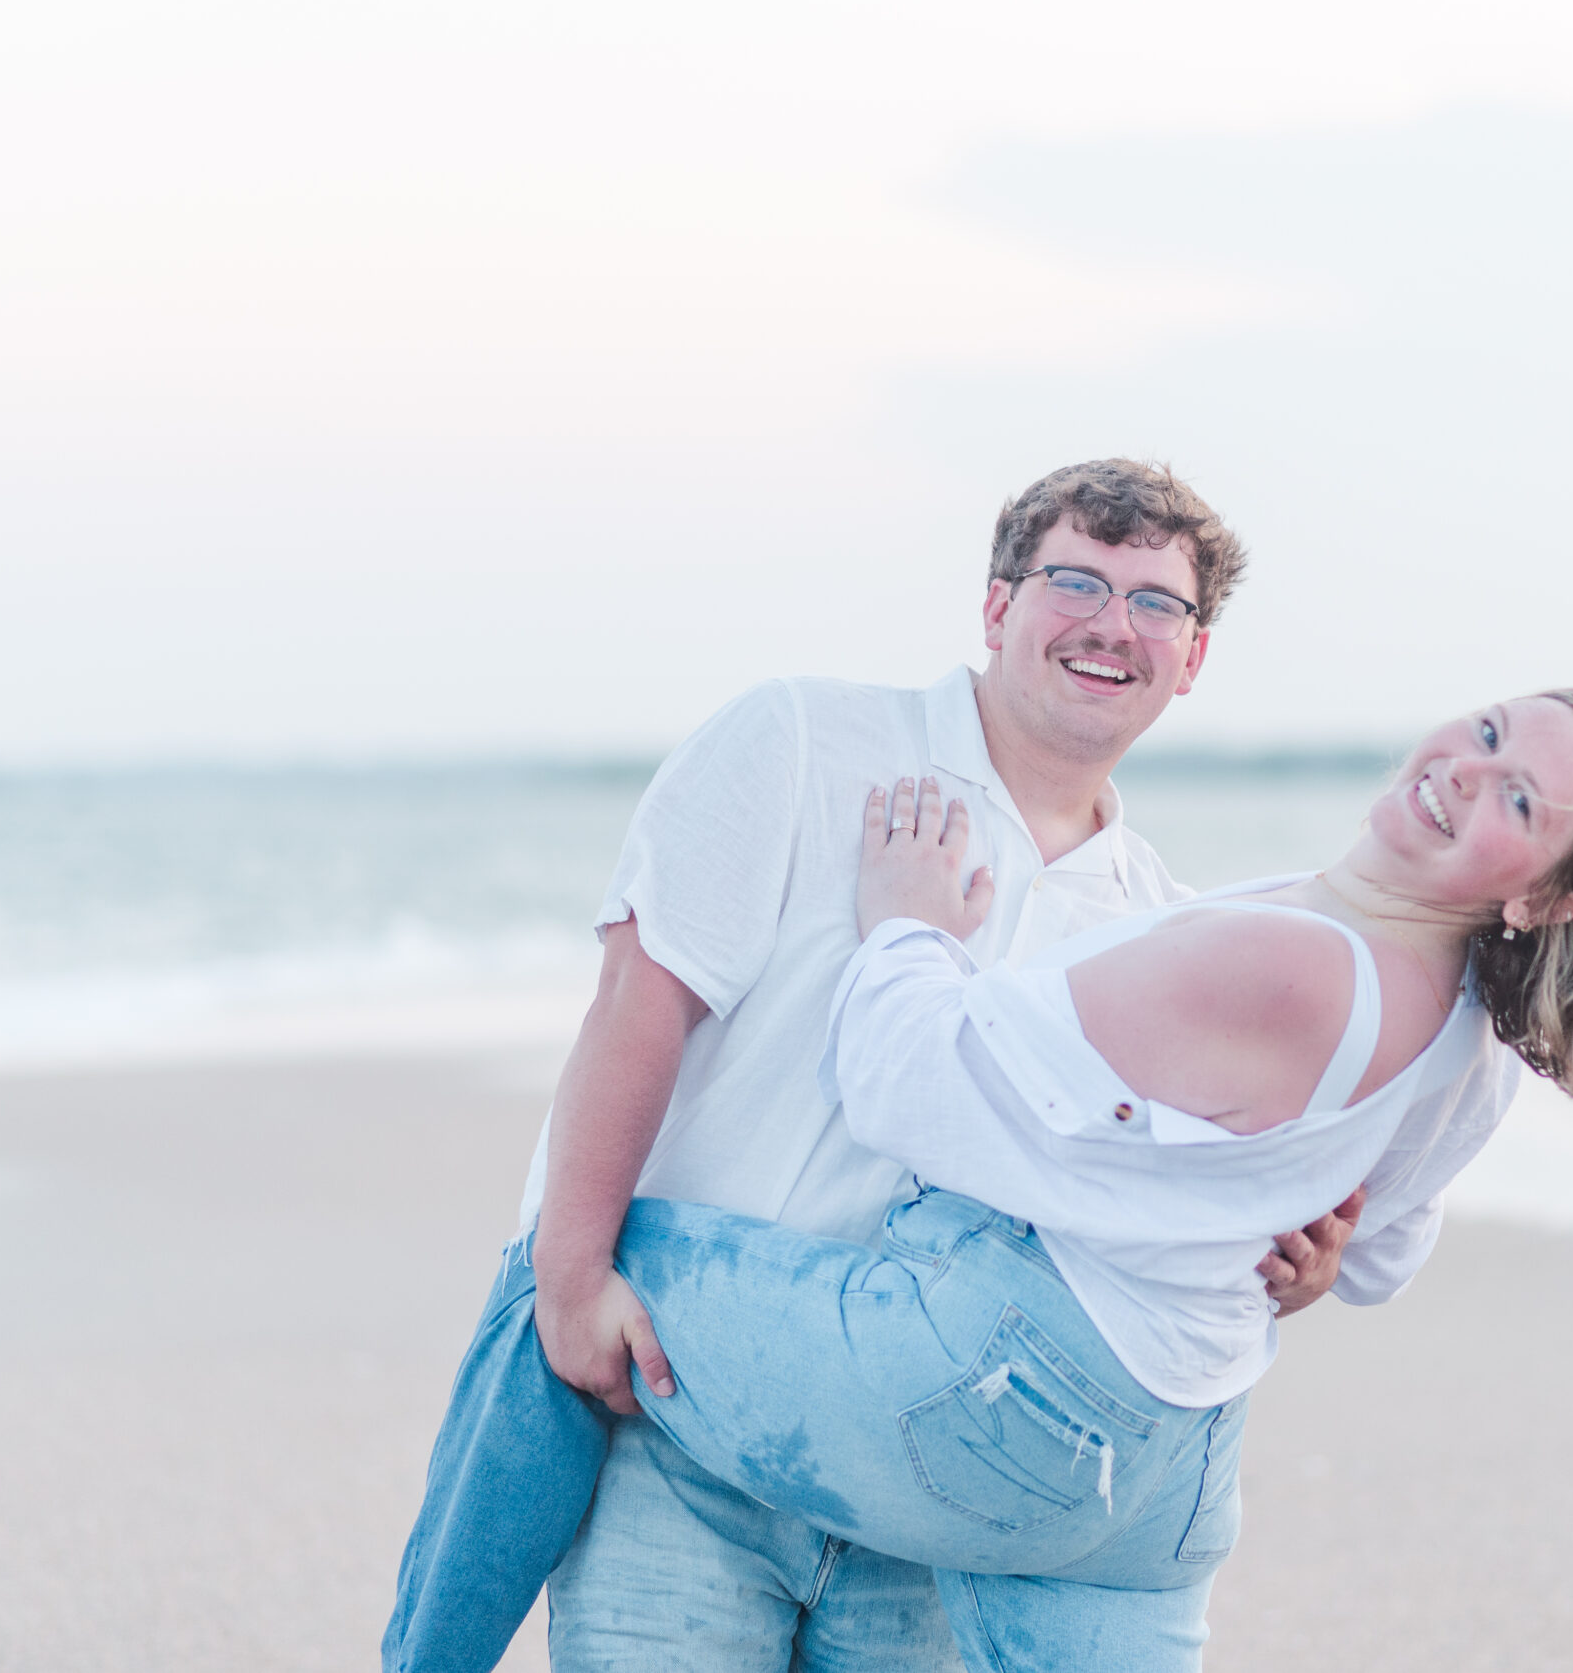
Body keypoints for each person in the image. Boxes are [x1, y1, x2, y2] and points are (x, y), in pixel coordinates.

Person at [385, 685, 1573, 1673]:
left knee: (582, 1259)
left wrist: (908, 928)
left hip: (1015, 1387)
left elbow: (906, 1087)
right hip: (1172, 1464)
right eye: (1496, 732)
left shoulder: (1287, 959)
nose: (1467, 767)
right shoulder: (1476, 1043)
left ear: (1549, 900)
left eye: (1520, 801)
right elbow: (1376, 1254)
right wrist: (1307, 1240)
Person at [389, 459, 1363, 1673]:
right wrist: (571, 1271)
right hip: (684, 1406)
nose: (1113, 624)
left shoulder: (1159, 924)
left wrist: (1282, 1257)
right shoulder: (806, 736)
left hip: (932, 1487)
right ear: (1000, 607)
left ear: (1194, 655)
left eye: (1155, 601)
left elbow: (1133, 1209)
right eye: (1076, 579)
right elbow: (643, 998)